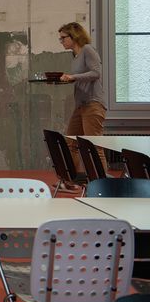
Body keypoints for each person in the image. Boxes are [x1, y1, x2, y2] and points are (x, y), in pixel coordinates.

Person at [58, 22, 107, 192]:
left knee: (94, 145)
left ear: (74, 35)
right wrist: (69, 79)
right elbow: (79, 78)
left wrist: (74, 77)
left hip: (93, 104)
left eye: (63, 37)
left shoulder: (87, 50)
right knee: (71, 142)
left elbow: (96, 73)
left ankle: (102, 185)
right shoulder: (75, 56)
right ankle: (72, 182)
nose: (61, 41)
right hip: (81, 106)